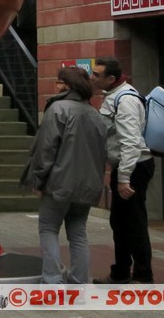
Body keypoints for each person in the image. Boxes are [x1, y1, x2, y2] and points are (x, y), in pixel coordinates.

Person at [22, 66, 107, 284]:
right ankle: (78, 280)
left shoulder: (57, 109)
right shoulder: (94, 114)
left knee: (48, 228)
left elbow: (46, 149)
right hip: (87, 185)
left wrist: (38, 179)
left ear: (67, 85)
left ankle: (52, 280)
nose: (55, 86)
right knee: (78, 232)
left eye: (58, 82)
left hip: (59, 183)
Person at [92, 56, 155, 284]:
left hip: (134, 167)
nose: (92, 78)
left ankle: (143, 275)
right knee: (120, 222)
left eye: (97, 75)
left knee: (134, 223)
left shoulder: (125, 100)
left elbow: (131, 142)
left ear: (111, 78)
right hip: (128, 166)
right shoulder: (114, 95)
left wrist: (124, 178)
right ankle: (121, 272)